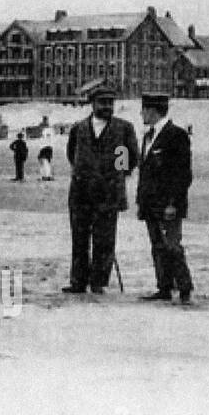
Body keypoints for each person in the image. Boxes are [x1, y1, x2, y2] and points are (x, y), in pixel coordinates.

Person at [63, 83, 139, 294]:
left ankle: (99, 282)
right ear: (92, 104)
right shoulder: (78, 129)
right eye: (102, 103)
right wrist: (86, 174)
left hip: (108, 194)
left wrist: (113, 176)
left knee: (104, 241)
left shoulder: (124, 129)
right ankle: (78, 281)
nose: (107, 107)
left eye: (110, 103)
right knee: (79, 240)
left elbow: (130, 158)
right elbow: (72, 155)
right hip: (80, 194)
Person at [136, 93, 194, 305]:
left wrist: (173, 203)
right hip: (150, 204)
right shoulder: (147, 136)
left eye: (144, 110)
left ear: (153, 111)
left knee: (172, 246)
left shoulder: (176, 135)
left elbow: (182, 175)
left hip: (168, 204)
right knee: (158, 247)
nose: (141, 113)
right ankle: (164, 287)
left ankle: (185, 287)